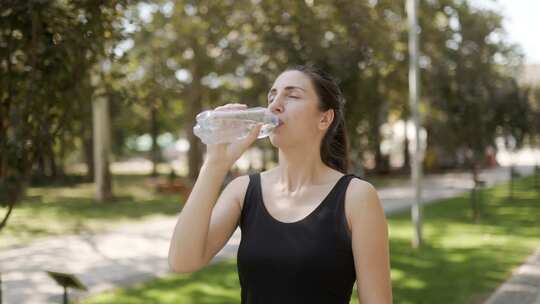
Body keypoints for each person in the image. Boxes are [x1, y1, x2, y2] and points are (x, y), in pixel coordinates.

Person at [168, 65, 392, 304]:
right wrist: (214, 165)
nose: (274, 105)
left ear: (324, 118)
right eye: (272, 96)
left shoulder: (356, 197)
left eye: (292, 95)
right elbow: (182, 261)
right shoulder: (243, 190)